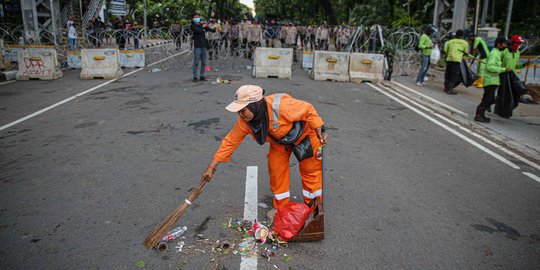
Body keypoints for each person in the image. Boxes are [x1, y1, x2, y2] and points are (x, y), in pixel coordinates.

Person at [201, 85, 329, 215]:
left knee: (310, 171)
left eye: (243, 110)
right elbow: (230, 142)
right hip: (280, 141)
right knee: (276, 169)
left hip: (305, 135)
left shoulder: (281, 106)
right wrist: (211, 167)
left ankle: (315, 209)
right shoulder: (245, 122)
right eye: (238, 111)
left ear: (254, 105)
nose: (240, 114)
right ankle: (281, 209)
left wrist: (320, 128)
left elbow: (308, 110)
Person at [474, 37, 510, 123]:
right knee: (487, 99)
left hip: (493, 80)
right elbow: (490, 67)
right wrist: (503, 69)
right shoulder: (494, 54)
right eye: (504, 44)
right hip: (490, 80)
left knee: (489, 99)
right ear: (499, 44)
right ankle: (478, 115)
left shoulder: (497, 53)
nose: (505, 46)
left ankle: (481, 115)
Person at [443, 29, 469, 95]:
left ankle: (446, 87)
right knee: (454, 75)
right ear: (463, 35)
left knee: (448, 73)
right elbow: (465, 52)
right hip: (457, 60)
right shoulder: (465, 43)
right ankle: (450, 89)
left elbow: (445, 50)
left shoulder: (450, 41)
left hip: (449, 59)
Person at [191, 14, 214, 82]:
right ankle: (195, 76)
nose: (197, 18)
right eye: (195, 17)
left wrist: (213, 27)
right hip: (197, 46)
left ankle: (202, 75)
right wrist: (203, 27)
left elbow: (211, 30)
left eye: (198, 17)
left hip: (204, 45)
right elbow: (198, 31)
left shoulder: (202, 25)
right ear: (193, 19)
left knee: (204, 62)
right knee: (196, 62)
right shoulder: (193, 26)